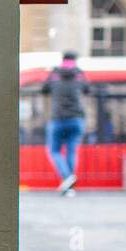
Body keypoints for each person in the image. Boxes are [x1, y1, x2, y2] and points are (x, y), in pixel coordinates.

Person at [42, 50, 91, 196]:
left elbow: (44, 90)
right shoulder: (79, 74)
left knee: (54, 150)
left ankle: (67, 178)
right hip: (76, 118)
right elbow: (87, 90)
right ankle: (69, 188)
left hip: (57, 118)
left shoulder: (55, 73)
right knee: (71, 150)